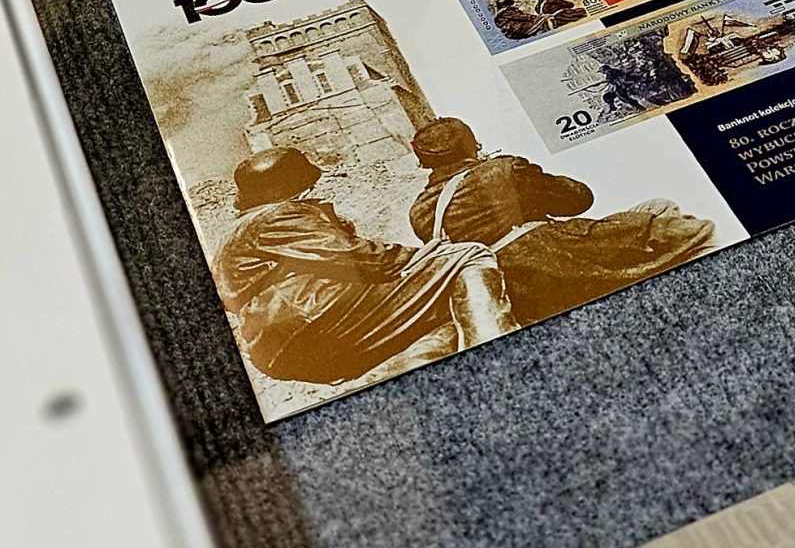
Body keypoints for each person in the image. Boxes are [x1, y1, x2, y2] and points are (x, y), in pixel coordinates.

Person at [214, 147, 486, 388]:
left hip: (280, 347)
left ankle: (397, 370)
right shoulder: (276, 216)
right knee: (469, 255)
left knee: (434, 314)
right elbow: (363, 258)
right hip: (312, 324)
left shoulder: (236, 233)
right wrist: (426, 255)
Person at [408, 117, 715, 329]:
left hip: (513, 290)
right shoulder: (502, 170)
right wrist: (508, 172)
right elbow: (579, 199)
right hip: (560, 260)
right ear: (470, 145)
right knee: (666, 213)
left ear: (425, 162)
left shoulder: (420, 212)